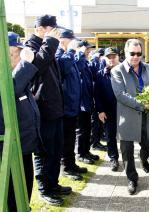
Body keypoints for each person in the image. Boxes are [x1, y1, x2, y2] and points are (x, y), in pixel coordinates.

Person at [25, 14, 71, 205]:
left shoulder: (47, 45)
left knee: (55, 150)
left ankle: (53, 184)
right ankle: (44, 189)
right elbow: (37, 66)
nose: (55, 34)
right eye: (52, 30)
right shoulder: (30, 46)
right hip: (42, 109)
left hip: (54, 108)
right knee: (44, 152)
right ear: (40, 29)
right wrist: (51, 41)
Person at [0, 32, 41, 211]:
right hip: (9, 149)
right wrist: (25, 65)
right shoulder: (8, 76)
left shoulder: (15, 74)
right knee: (12, 192)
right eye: (17, 53)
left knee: (25, 188)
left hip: (23, 145)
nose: (18, 58)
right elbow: (10, 93)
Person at [111, 39, 149, 195]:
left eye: (139, 53)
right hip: (127, 118)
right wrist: (143, 105)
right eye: (132, 53)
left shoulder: (148, 68)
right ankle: (132, 179)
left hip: (146, 117)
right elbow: (120, 95)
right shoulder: (117, 71)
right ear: (125, 53)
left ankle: (143, 158)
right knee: (127, 151)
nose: (136, 57)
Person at [56, 29, 87, 181]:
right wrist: (71, 50)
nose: (74, 42)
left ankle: (71, 164)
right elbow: (63, 68)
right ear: (63, 40)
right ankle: (66, 167)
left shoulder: (69, 54)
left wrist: (78, 53)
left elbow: (79, 68)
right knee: (66, 140)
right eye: (71, 39)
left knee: (71, 138)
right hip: (65, 106)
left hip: (72, 105)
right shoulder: (59, 54)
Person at [94, 47, 120, 171]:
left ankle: (129, 157)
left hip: (125, 110)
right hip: (108, 111)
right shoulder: (100, 74)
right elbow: (97, 94)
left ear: (118, 57)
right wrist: (100, 111)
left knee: (128, 136)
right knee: (110, 136)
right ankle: (113, 158)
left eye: (113, 56)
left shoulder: (125, 72)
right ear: (104, 58)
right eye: (108, 57)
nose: (111, 59)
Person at [75, 40, 100, 165]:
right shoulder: (78, 61)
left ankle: (86, 151)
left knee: (87, 129)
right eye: (87, 49)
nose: (89, 51)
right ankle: (80, 154)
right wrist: (79, 53)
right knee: (81, 130)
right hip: (80, 103)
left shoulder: (86, 62)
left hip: (87, 101)